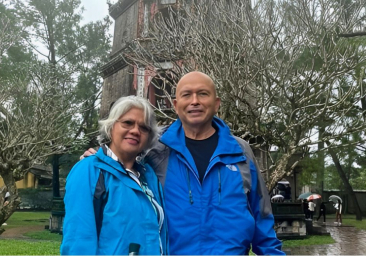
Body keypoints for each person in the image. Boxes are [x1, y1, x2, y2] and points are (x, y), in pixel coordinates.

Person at [83, 71, 283, 255]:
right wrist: (94, 160)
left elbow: (262, 218)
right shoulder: (155, 149)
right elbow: (120, 166)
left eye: (203, 94)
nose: (194, 101)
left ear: (216, 103)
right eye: (187, 95)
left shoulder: (240, 151)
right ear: (176, 104)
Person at [61, 96, 167, 255]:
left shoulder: (148, 176)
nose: (135, 131)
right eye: (127, 123)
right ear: (111, 127)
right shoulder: (89, 170)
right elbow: (78, 240)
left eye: (144, 127)